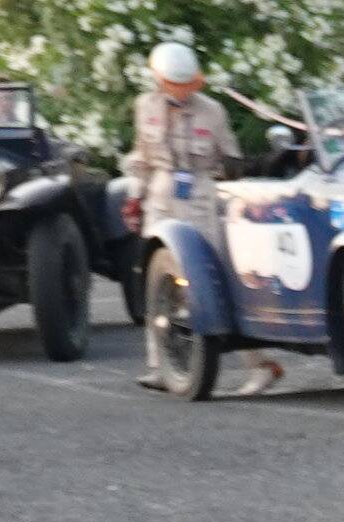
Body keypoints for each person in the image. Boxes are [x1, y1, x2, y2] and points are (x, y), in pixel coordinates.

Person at [124, 40, 287, 396]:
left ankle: (260, 365)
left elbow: (230, 159)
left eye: (188, 84)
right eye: (175, 84)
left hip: (200, 197)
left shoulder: (212, 111)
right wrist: (135, 197)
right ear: (160, 80)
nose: (182, 91)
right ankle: (161, 365)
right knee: (159, 279)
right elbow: (141, 158)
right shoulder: (145, 106)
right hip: (160, 196)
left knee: (213, 278)